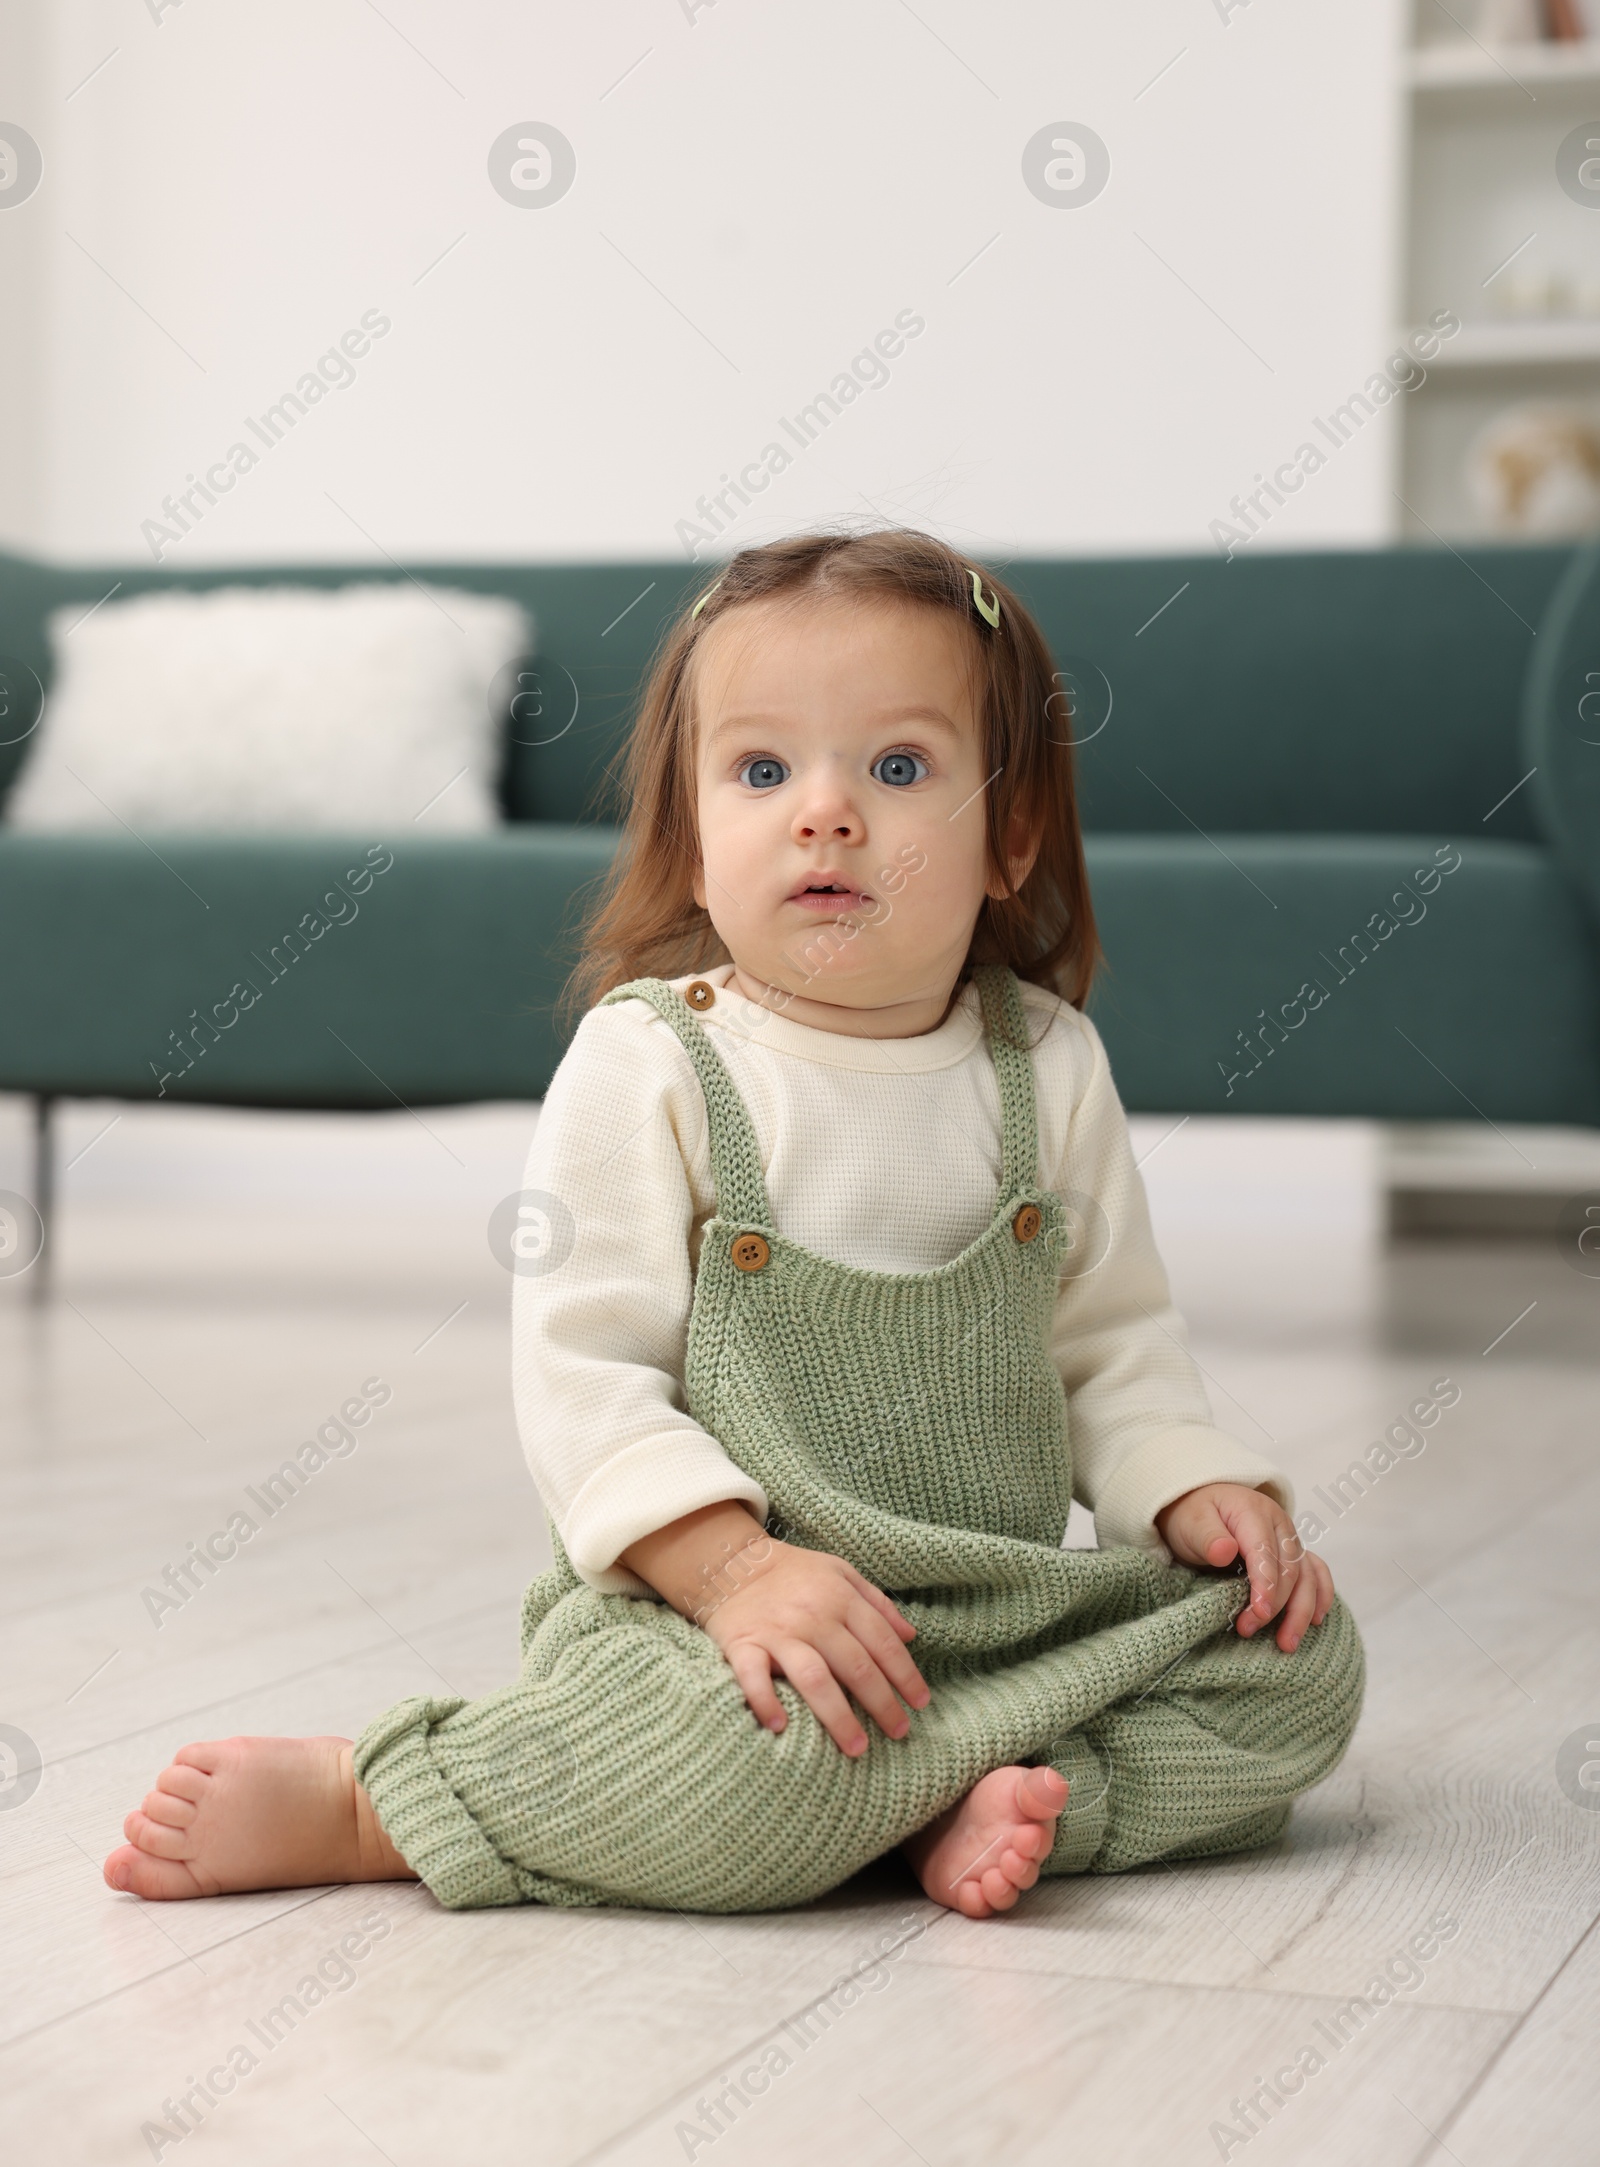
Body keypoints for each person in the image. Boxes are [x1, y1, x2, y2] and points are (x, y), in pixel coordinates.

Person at [105, 527, 1361, 1921]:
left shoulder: (1046, 1064)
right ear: (694, 844)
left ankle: (964, 1802)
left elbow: (1114, 1349)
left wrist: (1195, 1490)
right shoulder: (653, 1065)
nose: (826, 814)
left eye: (897, 768)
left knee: (1304, 1661)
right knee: (748, 1762)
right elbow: (587, 1379)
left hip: (998, 1621)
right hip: (713, 1625)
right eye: (763, 772)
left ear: (1009, 836)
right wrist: (739, 1572)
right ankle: (393, 1797)